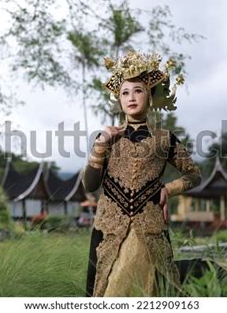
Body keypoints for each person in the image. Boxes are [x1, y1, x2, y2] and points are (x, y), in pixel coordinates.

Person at [83, 51, 202, 297]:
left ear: (149, 95)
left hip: (149, 228)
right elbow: (90, 185)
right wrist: (101, 144)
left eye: (137, 90)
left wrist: (168, 189)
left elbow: (194, 174)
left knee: (151, 291)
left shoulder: (164, 139)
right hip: (109, 228)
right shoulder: (106, 137)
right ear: (119, 99)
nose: (131, 97)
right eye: (125, 92)